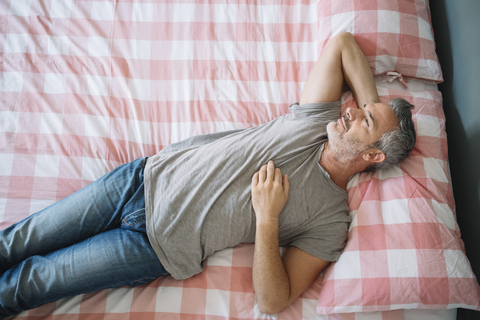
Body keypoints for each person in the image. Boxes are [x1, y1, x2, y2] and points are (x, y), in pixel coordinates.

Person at [0, 32, 415, 318]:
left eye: (362, 121)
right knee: (18, 240)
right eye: (358, 107)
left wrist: (267, 218)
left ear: (374, 155)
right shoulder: (317, 120)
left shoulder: (331, 220)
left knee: (33, 283)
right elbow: (342, 42)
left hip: (152, 245)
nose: (350, 110)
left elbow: (274, 300)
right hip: (142, 179)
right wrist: (374, 109)